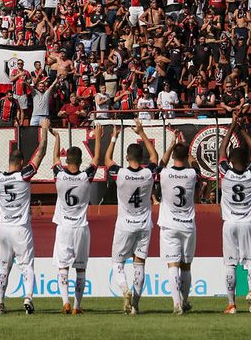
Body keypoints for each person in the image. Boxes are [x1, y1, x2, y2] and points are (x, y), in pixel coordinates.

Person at [0, 120, 50, 315]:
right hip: (21, 228)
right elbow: (41, 152)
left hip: (4, 229)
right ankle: (28, 298)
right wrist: (44, 130)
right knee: (26, 264)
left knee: (4, 266)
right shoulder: (24, 175)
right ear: (20, 163)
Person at [105, 120, 159, 315]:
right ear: (141, 157)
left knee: (117, 262)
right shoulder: (147, 173)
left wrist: (113, 137)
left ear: (127, 157)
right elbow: (155, 157)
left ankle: (125, 289)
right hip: (144, 225)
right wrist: (142, 133)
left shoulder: (120, 173)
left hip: (125, 225)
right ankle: (135, 304)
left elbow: (107, 159)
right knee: (139, 263)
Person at [51, 124, 102, 315]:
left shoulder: (60, 176)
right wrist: (97, 137)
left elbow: (54, 158)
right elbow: (96, 159)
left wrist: (56, 137)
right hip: (81, 227)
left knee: (63, 266)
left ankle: (65, 302)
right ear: (80, 161)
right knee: (80, 269)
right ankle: (76, 306)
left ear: (67, 160)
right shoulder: (85, 177)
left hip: (64, 227)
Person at [218, 116, 251, 315]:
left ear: (231, 160)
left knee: (230, 264)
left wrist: (233, 126)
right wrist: (244, 130)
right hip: (247, 222)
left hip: (229, 223)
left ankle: (231, 304)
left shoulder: (225, 173)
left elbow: (221, 150)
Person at [157, 122, 200, 315]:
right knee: (186, 265)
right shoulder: (192, 174)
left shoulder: (165, 174)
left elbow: (160, 164)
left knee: (172, 264)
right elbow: (195, 164)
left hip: (169, 225)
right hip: (187, 225)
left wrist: (172, 144)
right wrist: (186, 147)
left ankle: (176, 304)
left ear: (174, 156)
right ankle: (185, 300)